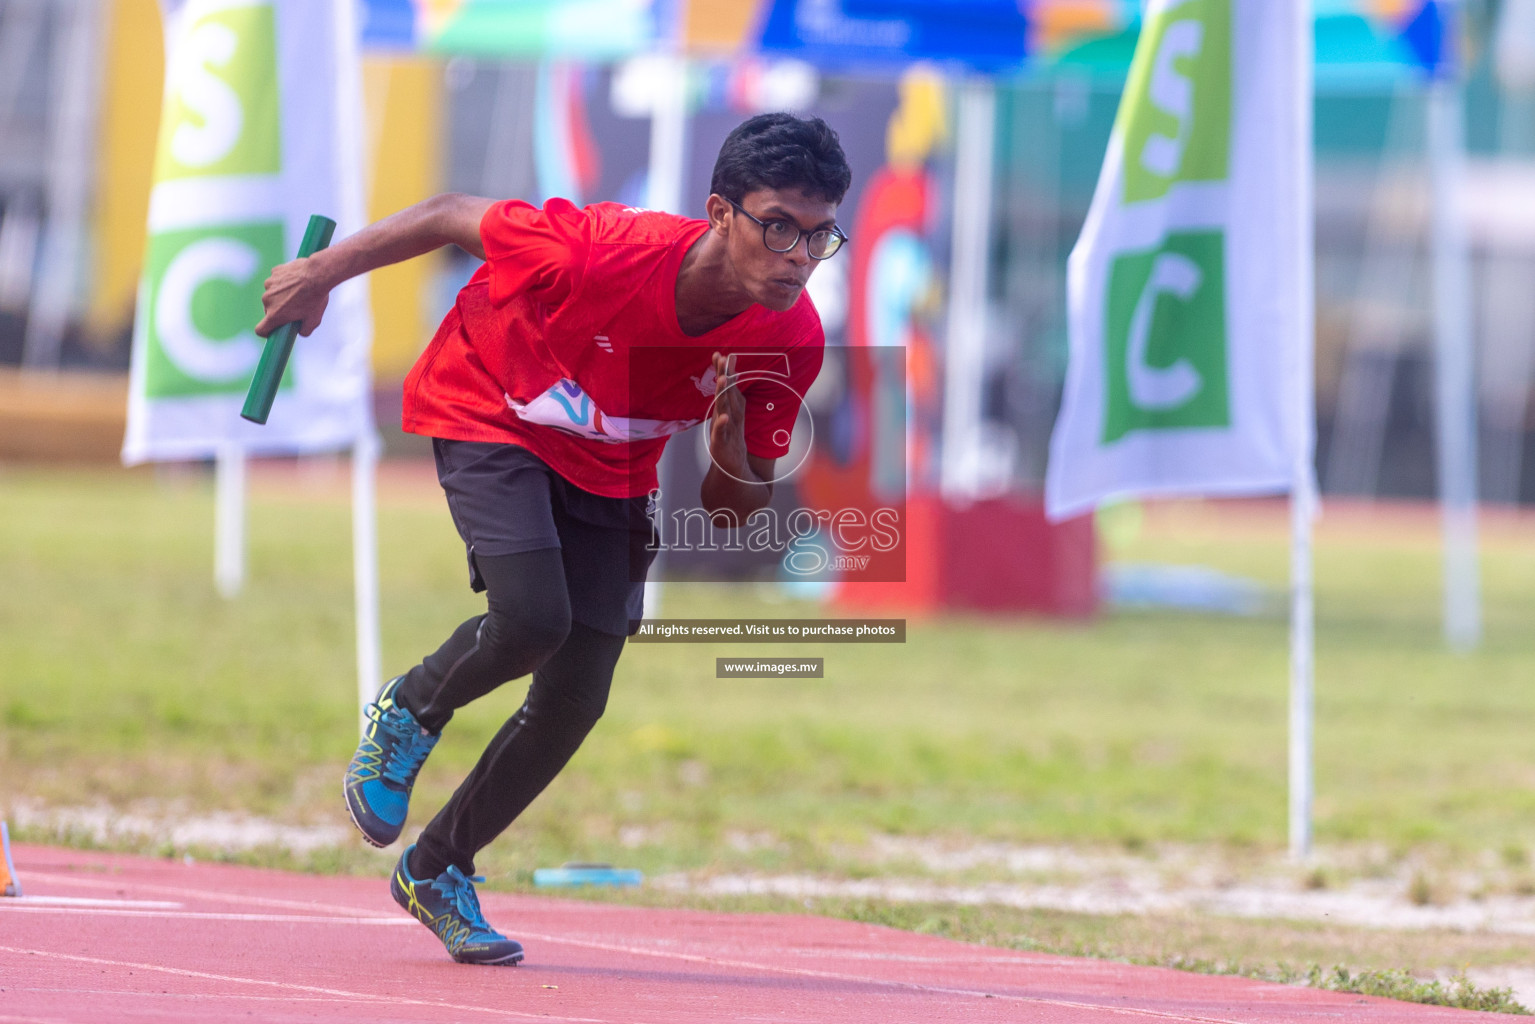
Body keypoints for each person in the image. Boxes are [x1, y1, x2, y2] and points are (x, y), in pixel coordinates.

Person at [257, 112, 852, 965]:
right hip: (491, 404)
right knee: (534, 617)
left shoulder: (788, 337)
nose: (798, 256)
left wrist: (727, 450)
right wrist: (320, 273)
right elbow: (448, 212)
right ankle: (410, 709)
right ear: (720, 214)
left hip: (611, 465)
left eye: (818, 234)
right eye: (778, 227)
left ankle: (438, 868)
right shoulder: (599, 249)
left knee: (577, 694)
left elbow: (732, 510)